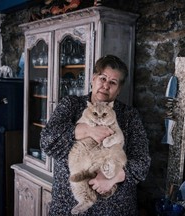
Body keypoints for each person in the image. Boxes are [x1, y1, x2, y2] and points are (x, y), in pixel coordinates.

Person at [40, 55, 151, 215]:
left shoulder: (129, 116)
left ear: (119, 89)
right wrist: (87, 130)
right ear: (93, 79)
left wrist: (113, 178)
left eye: (113, 82)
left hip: (113, 209)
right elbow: (47, 140)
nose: (106, 85)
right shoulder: (71, 104)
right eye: (102, 78)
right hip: (67, 205)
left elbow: (142, 163)